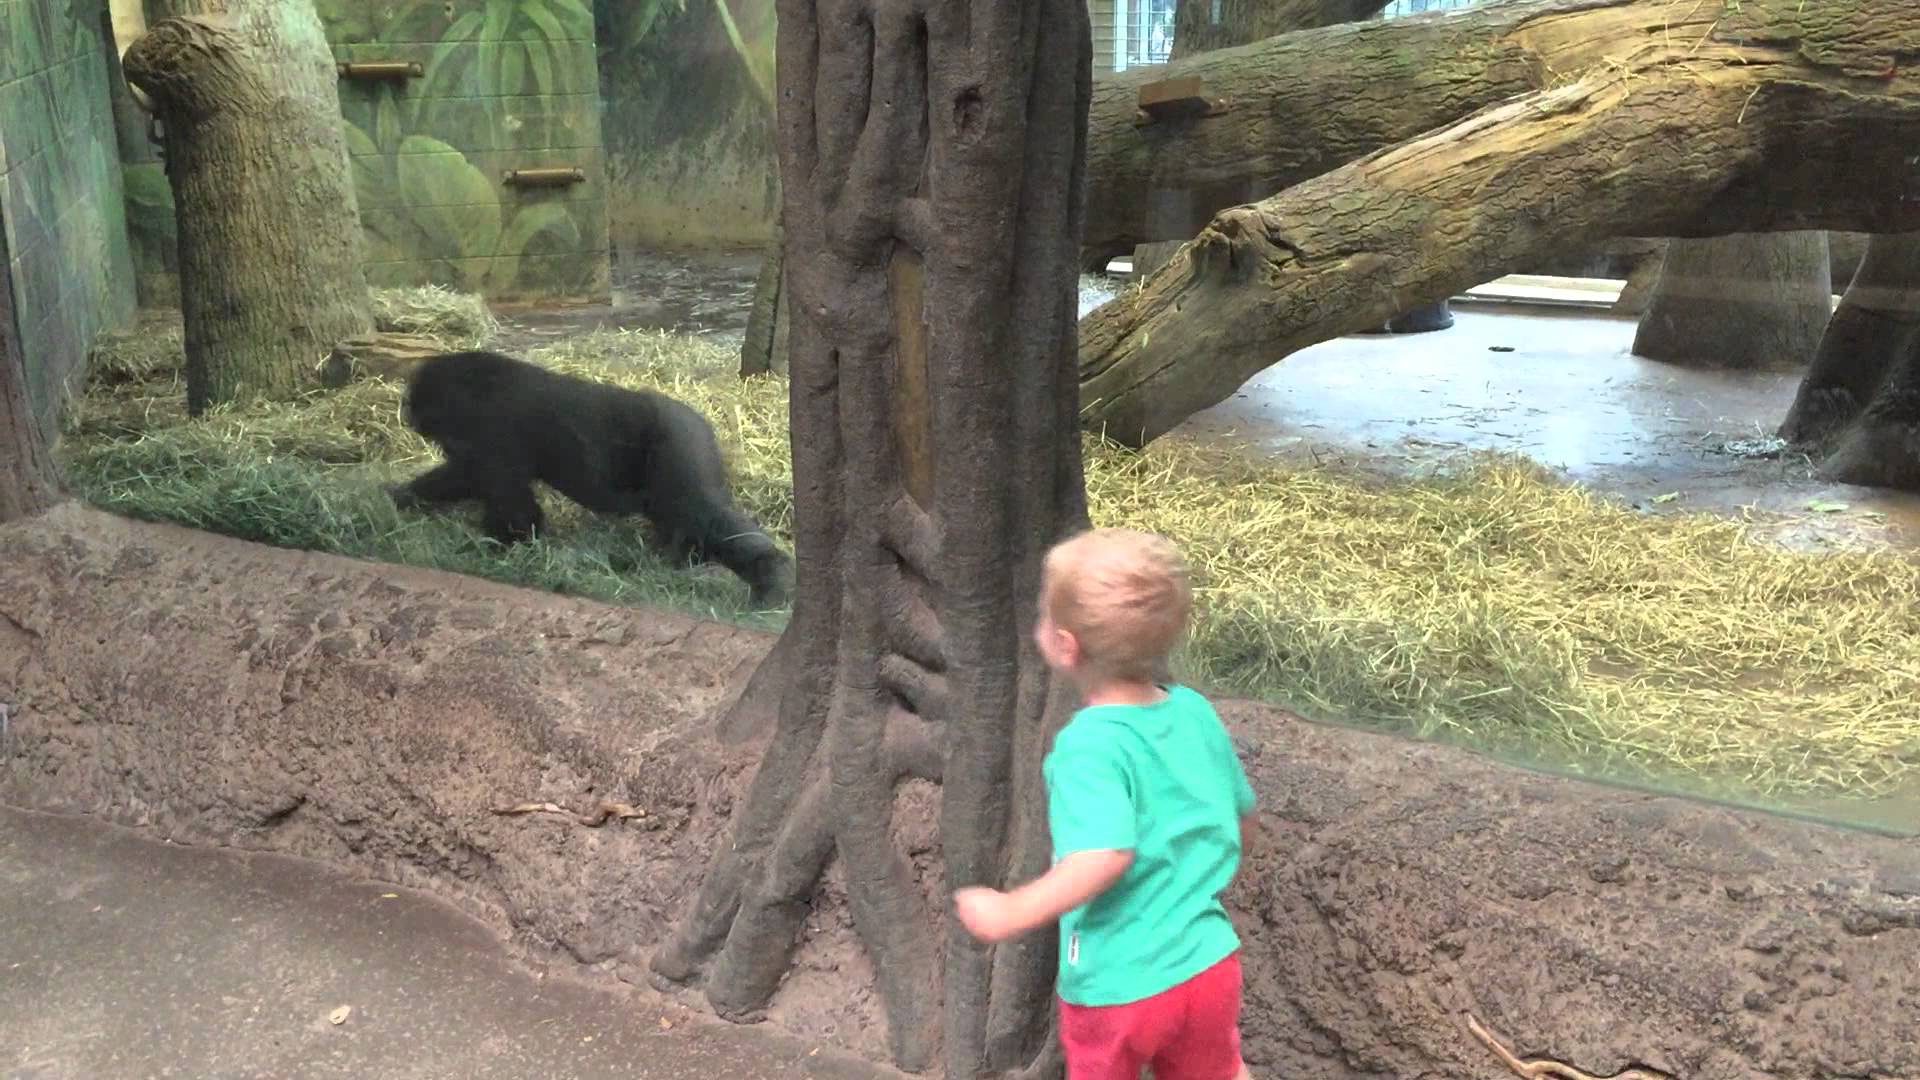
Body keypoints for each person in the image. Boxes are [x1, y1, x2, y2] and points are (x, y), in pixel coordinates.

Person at [953, 527, 1258, 1080]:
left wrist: (1011, 911)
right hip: (1209, 964)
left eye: (1045, 613)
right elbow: (1240, 816)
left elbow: (1104, 854)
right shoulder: (1194, 713)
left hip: (1119, 981)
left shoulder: (1089, 745)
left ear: (1065, 645)